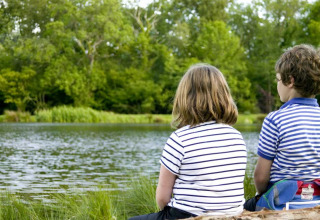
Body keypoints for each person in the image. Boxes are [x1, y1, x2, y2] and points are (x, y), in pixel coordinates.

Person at [129, 63, 247, 220]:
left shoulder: (180, 139)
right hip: (232, 215)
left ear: (185, 98)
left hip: (188, 216)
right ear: (224, 96)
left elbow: (163, 198)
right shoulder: (237, 137)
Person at [244, 44, 320, 211]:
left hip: (283, 204)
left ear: (290, 81)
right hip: (316, 201)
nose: (278, 85)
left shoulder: (275, 120)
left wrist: (262, 194)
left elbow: (261, 177)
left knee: (244, 207)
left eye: (278, 80)